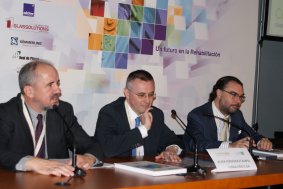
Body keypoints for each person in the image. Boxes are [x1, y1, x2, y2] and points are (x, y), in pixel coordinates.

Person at [0, 60, 102, 176]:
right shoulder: (5, 113)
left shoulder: (63, 110)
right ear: (29, 91)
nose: (58, 90)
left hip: (58, 180)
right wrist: (32, 162)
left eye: (58, 83)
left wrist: (88, 158)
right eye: (50, 85)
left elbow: (90, 144)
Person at [94, 70, 183, 162]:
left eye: (151, 95)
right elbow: (107, 149)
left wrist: (171, 150)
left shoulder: (155, 114)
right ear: (127, 93)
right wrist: (143, 129)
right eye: (141, 95)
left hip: (148, 172)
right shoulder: (110, 112)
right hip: (115, 173)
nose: (147, 100)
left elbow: (174, 141)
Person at [183, 76, 272, 152]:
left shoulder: (237, 115)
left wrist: (262, 141)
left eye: (241, 97)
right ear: (219, 93)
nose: (238, 101)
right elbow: (195, 144)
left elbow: (251, 134)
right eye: (233, 94)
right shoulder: (198, 115)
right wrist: (229, 146)